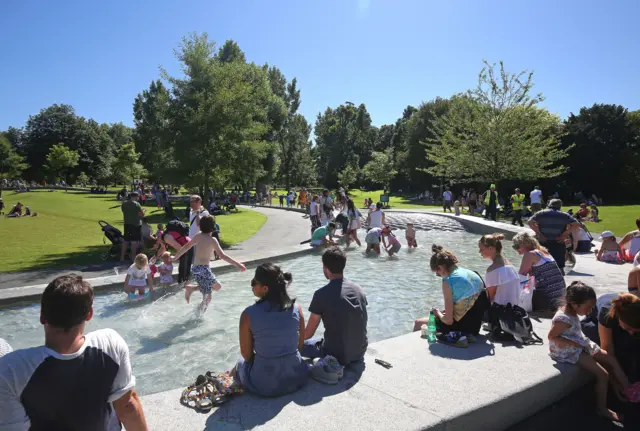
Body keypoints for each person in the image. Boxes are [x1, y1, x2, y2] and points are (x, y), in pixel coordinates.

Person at [0, 275, 148, 430]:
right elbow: (128, 407)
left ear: (42, 316)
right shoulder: (110, 345)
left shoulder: (11, 369)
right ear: (89, 314)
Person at [548, 281, 628, 421]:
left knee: (610, 358)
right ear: (575, 304)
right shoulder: (563, 319)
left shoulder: (571, 310)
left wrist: (578, 342)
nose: (590, 311)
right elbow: (552, 336)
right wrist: (572, 343)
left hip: (578, 342)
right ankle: (602, 409)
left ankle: (629, 389)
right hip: (567, 350)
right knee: (603, 374)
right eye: (588, 307)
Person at [233, 264, 309, 396]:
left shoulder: (248, 315)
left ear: (265, 288)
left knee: (240, 363)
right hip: (297, 378)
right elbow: (300, 345)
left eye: (254, 282)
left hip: (265, 386)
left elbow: (247, 356)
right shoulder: (297, 309)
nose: (251, 285)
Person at [302, 247, 368, 366]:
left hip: (336, 355)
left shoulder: (321, 294)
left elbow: (307, 334)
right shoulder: (359, 289)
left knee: (295, 345)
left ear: (325, 268)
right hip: (359, 352)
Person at [172, 215, 246, 312]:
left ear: (200, 226)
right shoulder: (212, 240)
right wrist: (238, 264)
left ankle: (192, 289)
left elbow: (186, 247)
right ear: (213, 227)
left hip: (196, 269)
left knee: (216, 287)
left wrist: (175, 257)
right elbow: (223, 256)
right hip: (203, 270)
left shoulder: (198, 235)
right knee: (208, 297)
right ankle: (198, 316)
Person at [413, 245, 489, 335]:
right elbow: (471, 302)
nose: (437, 275)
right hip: (475, 326)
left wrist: (437, 313)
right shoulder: (471, 273)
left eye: (437, 272)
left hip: (462, 329)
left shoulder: (448, 281)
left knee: (418, 322)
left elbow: (448, 321)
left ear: (440, 267)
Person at [512, 232, 566, 312]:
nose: (515, 249)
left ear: (525, 244)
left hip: (549, 298)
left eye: (516, 246)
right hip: (560, 295)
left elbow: (521, 278)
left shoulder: (529, 254)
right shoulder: (543, 252)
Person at [528, 199, 578, 274]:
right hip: (558, 242)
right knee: (559, 265)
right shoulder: (564, 215)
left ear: (549, 205)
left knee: (540, 263)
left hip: (543, 242)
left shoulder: (541, 213)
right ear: (560, 206)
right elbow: (576, 224)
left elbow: (530, 222)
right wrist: (565, 234)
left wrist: (539, 233)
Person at [120, 192, 145, 261]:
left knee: (126, 241)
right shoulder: (136, 204)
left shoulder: (124, 204)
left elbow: (123, 211)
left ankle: (122, 257)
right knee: (134, 242)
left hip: (127, 224)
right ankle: (133, 257)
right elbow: (141, 214)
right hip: (135, 224)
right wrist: (143, 211)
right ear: (136, 196)